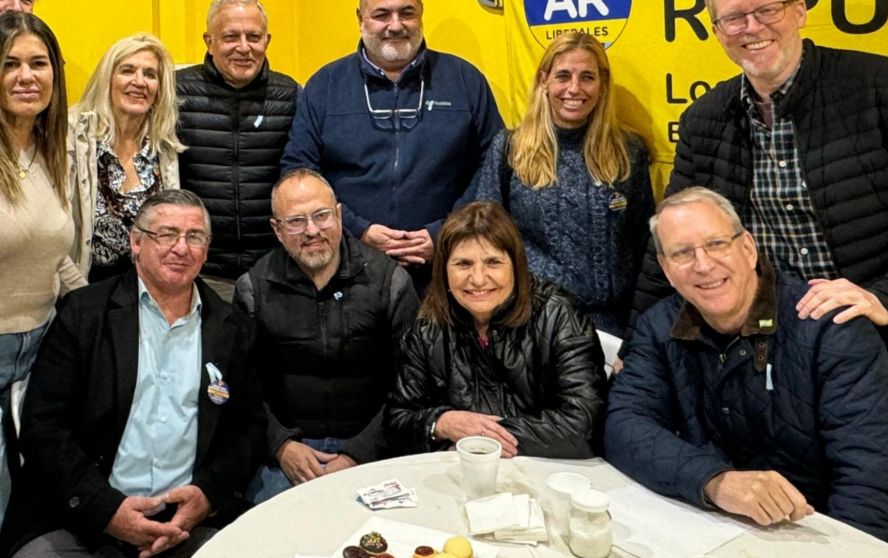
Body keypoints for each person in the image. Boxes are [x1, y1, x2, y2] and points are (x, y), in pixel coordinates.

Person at [624, 2, 888, 555]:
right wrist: (637, 344)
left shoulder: (887, 88)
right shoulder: (708, 119)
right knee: (822, 514)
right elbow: (675, 239)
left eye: (765, 8)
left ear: (799, 10)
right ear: (716, 30)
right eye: (733, 18)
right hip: (809, 362)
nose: (751, 28)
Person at [606, 188, 888, 555]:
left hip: (819, 538)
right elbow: (623, 424)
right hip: (719, 532)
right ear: (666, 269)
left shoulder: (832, 330)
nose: (703, 264)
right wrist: (715, 482)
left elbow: (878, 493)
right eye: (682, 253)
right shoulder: (659, 326)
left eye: (716, 244)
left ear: (748, 248)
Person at [1, 190, 265, 557]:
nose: (181, 248)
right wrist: (105, 509)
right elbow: (43, 427)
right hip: (82, 519)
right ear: (136, 243)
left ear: (206, 250)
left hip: (188, 524)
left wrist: (207, 496)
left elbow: (248, 429)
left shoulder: (232, 328)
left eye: (195, 237)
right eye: (167, 234)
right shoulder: (85, 314)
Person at [281, 0, 504, 292]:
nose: (396, 25)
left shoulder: (465, 79)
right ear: (361, 18)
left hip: (446, 271)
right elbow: (298, 170)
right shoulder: (325, 86)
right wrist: (356, 229)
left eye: (407, 13)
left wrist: (447, 232)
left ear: (421, 15)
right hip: (349, 270)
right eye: (382, 14)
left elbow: (495, 163)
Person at [234, 168, 419, 503]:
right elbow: (241, 387)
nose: (312, 230)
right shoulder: (252, 289)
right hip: (284, 454)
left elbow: (412, 386)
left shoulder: (390, 282)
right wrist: (280, 445)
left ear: (339, 215)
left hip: (376, 447)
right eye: (296, 221)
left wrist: (358, 453)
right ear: (277, 230)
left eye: (321, 216)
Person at [384, 202, 606, 459]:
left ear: (516, 265)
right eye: (463, 264)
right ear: (444, 270)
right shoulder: (428, 325)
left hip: (546, 469)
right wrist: (441, 423)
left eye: (493, 262)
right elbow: (396, 423)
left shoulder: (558, 315)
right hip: (457, 470)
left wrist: (480, 438)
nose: (478, 278)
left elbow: (584, 424)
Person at [476, 32, 652, 336]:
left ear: (602, 85)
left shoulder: (628, 151)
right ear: (544, 81)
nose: (574, 88)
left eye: (587, 77)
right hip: (534, 323)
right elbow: (486, 239)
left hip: (614, 326)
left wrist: (639, 324)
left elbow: (644, 243)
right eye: (563, 76)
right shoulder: (510, 149)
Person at [0, 11, 85, 530]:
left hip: (38, 353)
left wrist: (98, 311)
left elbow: (53, 253)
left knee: (28, 509)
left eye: (38, 63)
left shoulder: (51, 150)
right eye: (10, 64)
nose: (26, 76)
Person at [177, 0, 298, 298]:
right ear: (209, 42)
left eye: (253, 37)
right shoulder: (176, 92)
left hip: (273, 271)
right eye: (231, 37)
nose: (244, 48)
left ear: (267, 41)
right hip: (198, 270)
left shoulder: (290, 95)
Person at [69, 33, 184, 281]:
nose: (139, 82)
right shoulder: (73, 138)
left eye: (150, 74)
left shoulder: (164, 148)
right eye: (127, 70)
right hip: (82, 286)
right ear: (107, 79)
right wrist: (76, 293)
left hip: (147, 287)